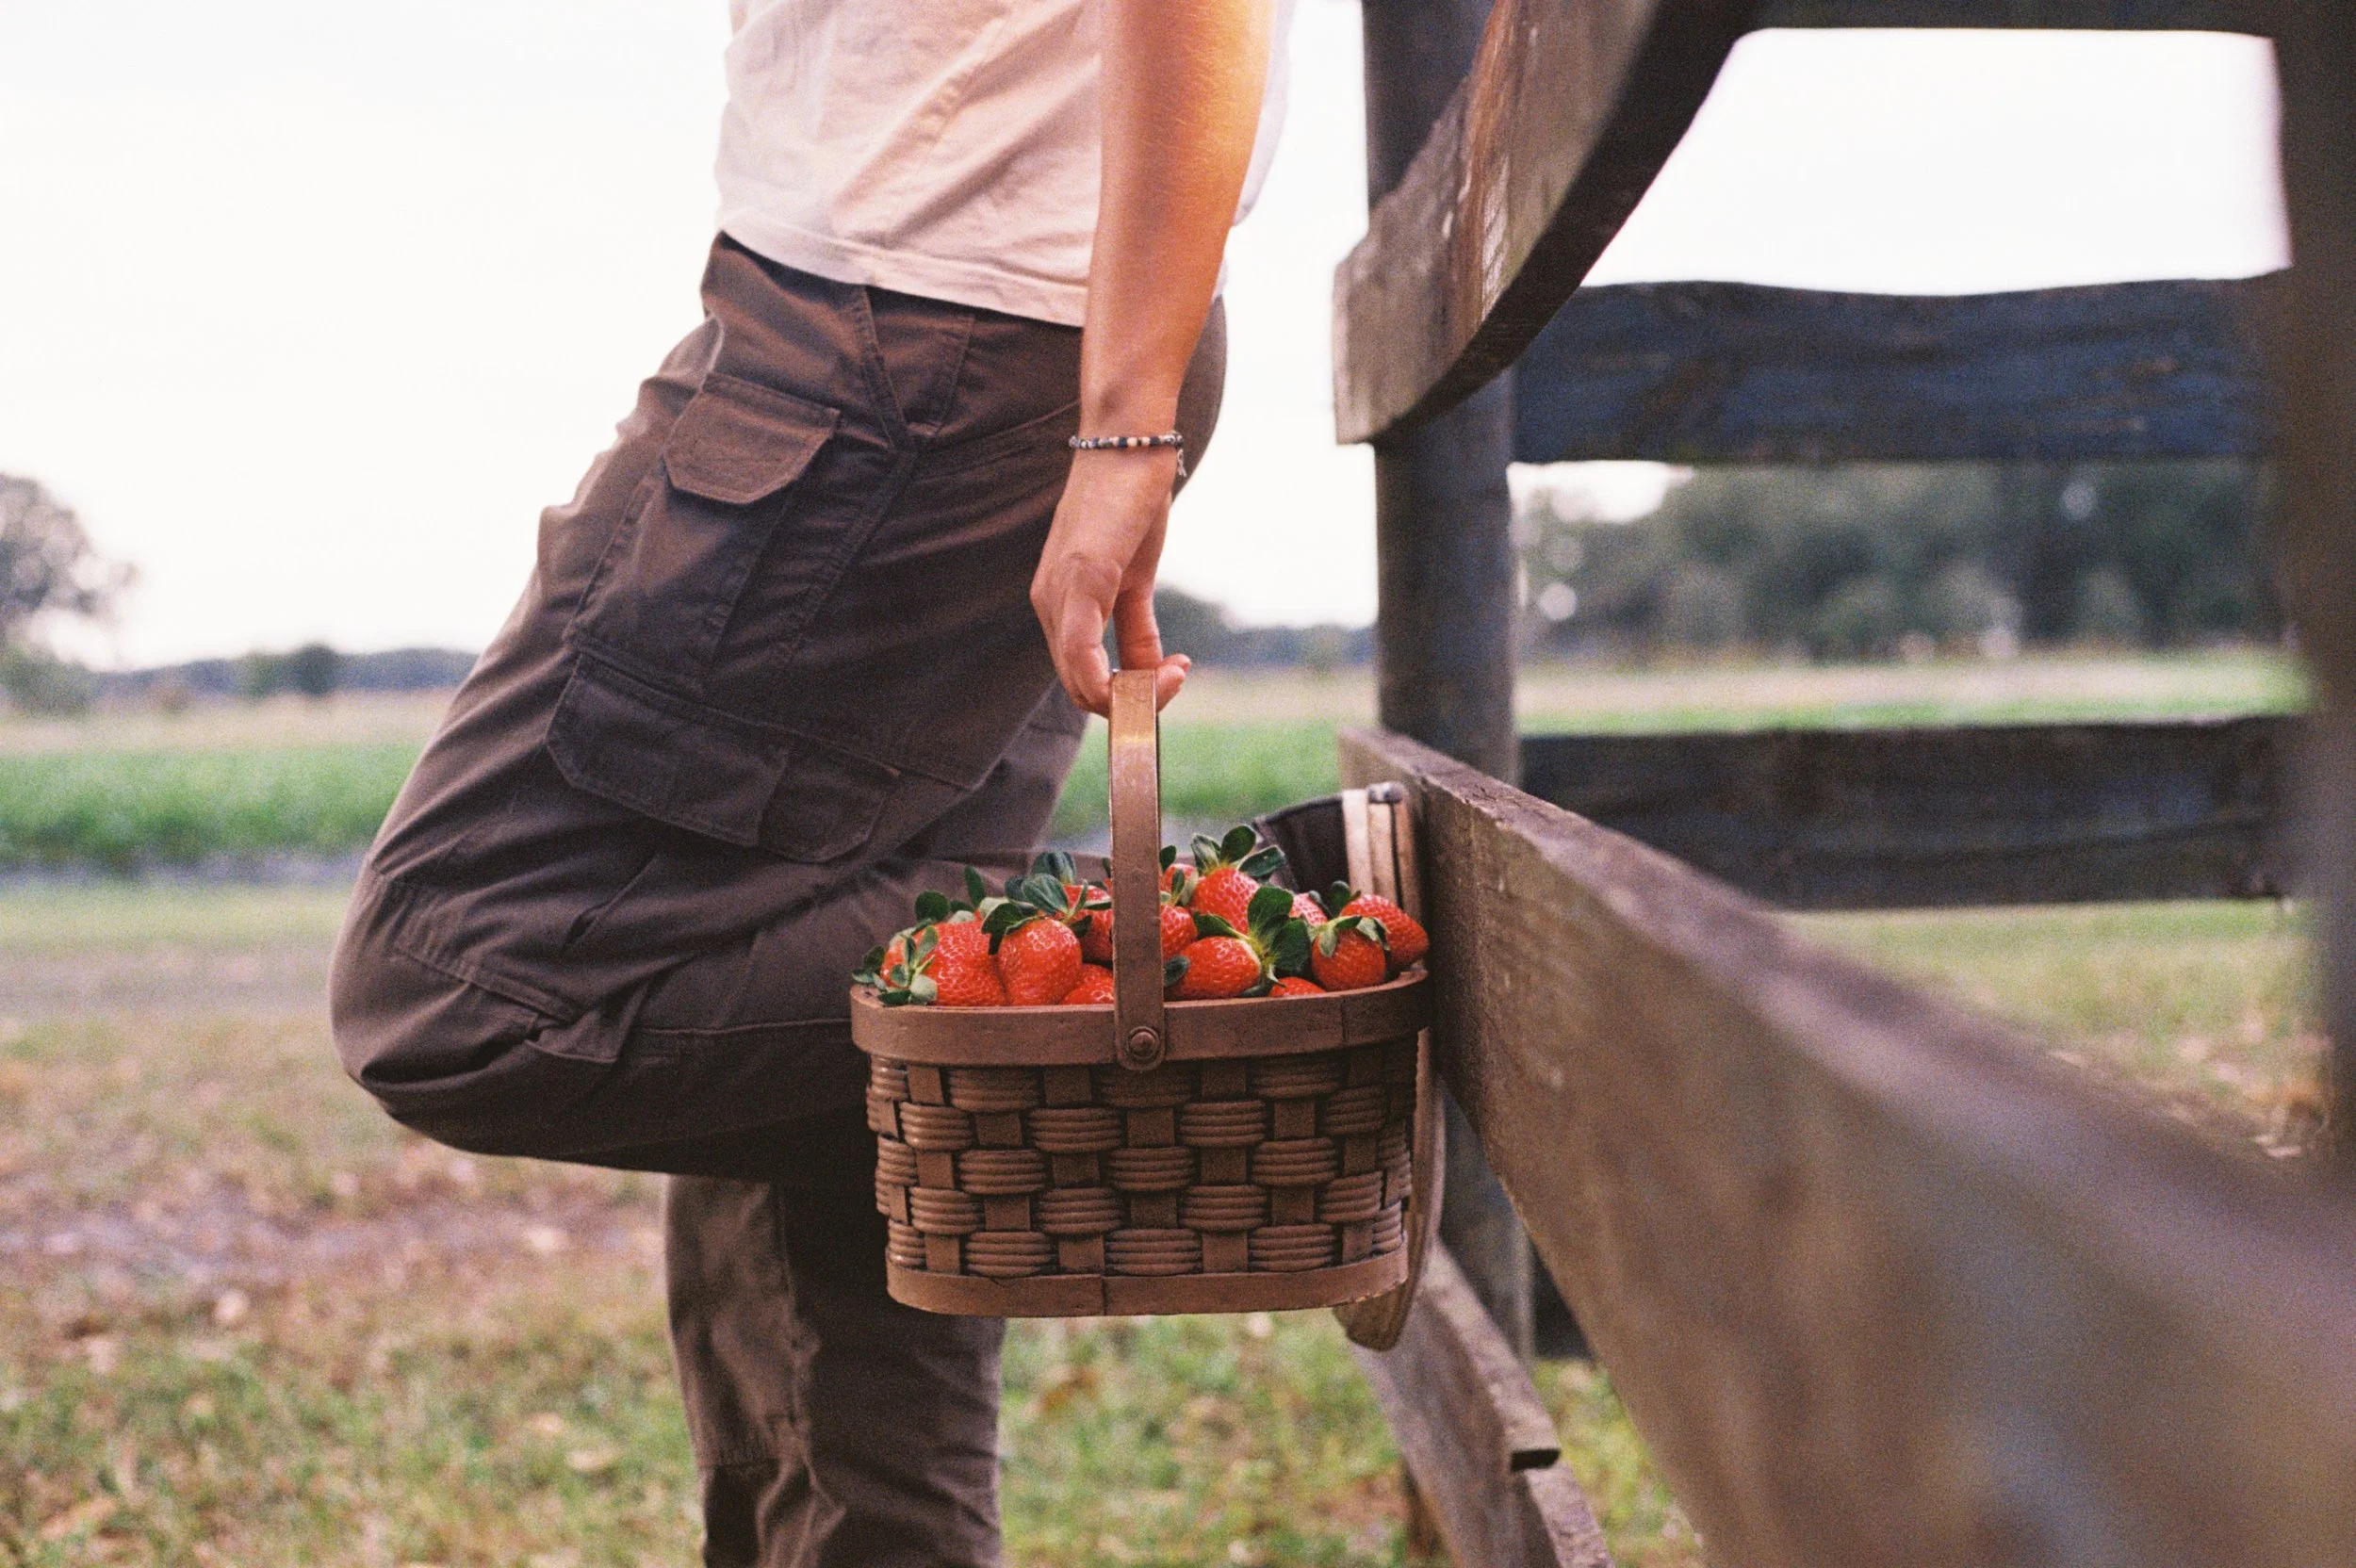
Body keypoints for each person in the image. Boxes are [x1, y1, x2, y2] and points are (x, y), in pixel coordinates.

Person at [328, 1, 1289, 1563]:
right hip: (948, 324)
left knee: (453, 985)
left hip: (924, 331)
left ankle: (1178, 983)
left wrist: (1124, 433)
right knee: (836, 1113)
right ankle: (1108, 991)